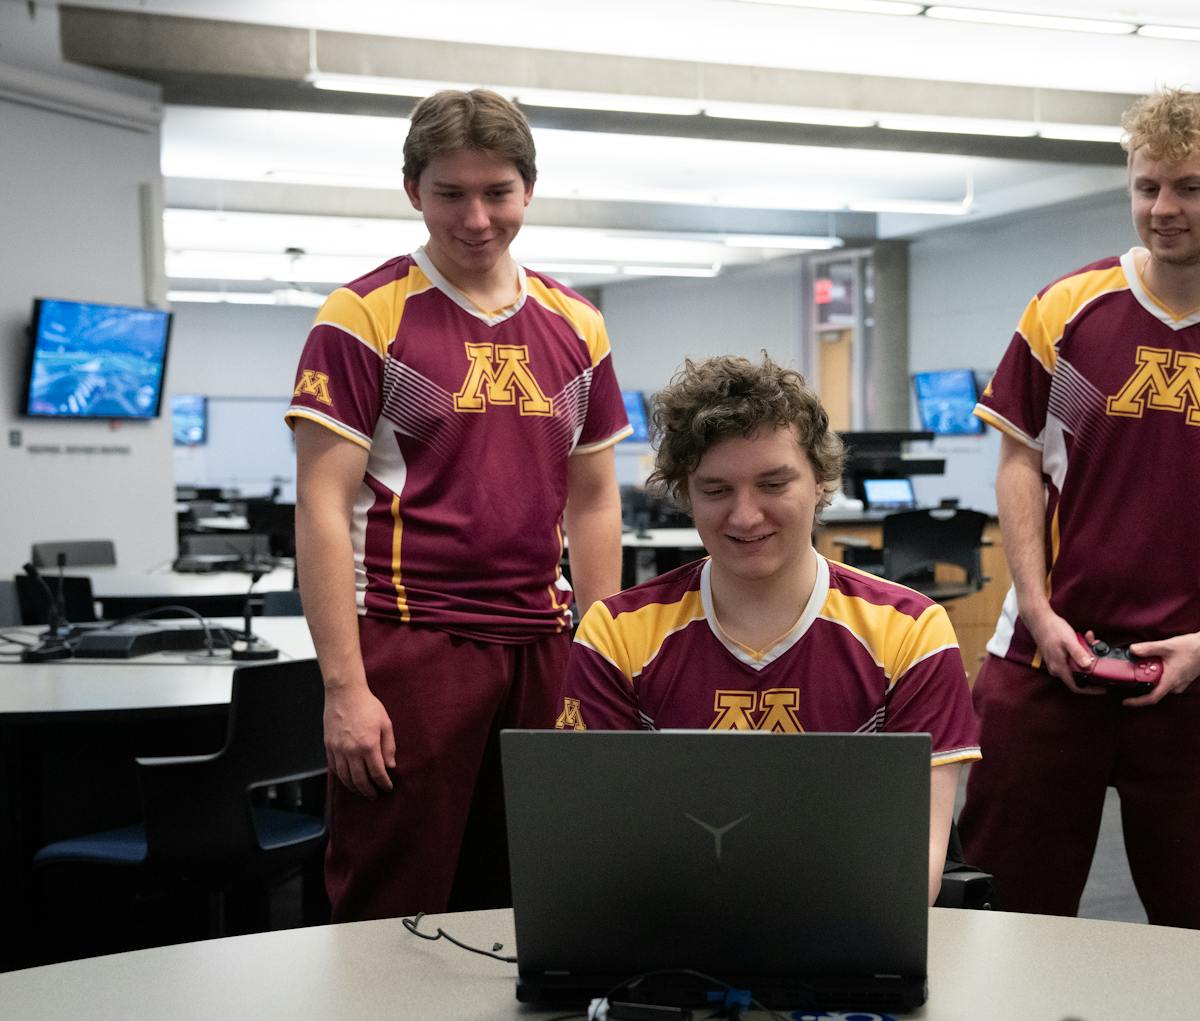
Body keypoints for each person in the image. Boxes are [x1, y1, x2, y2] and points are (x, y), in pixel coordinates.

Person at [957, 87, 1200, 933]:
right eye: (1147, 187)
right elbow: (1018, 458)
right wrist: (1034, 605)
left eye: (1189, 187)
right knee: (1000, 916)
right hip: (1039, 663)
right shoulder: (1065, 307)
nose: (1162, 209)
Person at [285, 89, 628, 921]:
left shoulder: (578, 324)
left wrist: (607, 657)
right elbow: (322, 507)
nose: (476, 218)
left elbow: (592, 502)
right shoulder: (364, 315)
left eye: (497, 192)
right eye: (450, 193)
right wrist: (344, 687)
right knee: (395, 898)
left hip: (544, 648)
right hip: (413, 640)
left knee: (546, 895)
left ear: (528, 191)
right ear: (413, 190)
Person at [556, 355, 981, 904]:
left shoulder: (912, 633)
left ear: (823, 480)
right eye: (715, 491)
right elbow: (593, 850)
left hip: (849, 935)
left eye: (773, 483)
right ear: (685, 493)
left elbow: (912, 872)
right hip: (665, 940)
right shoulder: (615, 633)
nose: (745, 516)